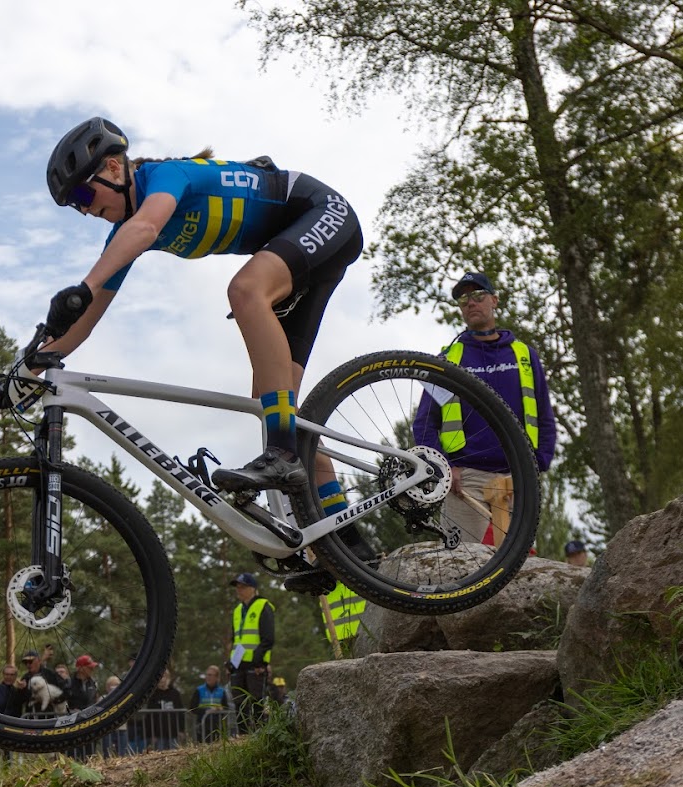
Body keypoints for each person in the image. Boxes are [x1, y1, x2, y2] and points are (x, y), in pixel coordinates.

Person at [33, 117, 363, 498]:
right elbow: (85, 323)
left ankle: (283, 456)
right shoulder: (124, 233)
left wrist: (84, 287)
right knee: (274, 407)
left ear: (113, 167)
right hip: (302, 255)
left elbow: (146, 228)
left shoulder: (166, 177)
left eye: (83, 195)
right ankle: (340, 528)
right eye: (75, 206)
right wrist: (29, 368)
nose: (85, 210)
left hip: (324, 212)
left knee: (245, 290)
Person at [413, 271, 556, 545]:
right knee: (459, 561)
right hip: (465, 480)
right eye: (463, 299)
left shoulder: (524, 356)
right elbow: (424, 423)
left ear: (494, 300)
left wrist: (537, 465)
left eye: (478, 295)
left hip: (518, 477)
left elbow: (544, 416)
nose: (471, 302)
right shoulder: (448, 360)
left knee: (520, 563)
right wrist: (444, 468)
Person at [226, 572, 274, 735]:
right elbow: (236, 640)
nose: (238, 590)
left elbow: (268, 638)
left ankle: (261, 737)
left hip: (256, 664)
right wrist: (230, 663)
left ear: (252, 588)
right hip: (238, 664)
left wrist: (259, 661)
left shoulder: (263, 606)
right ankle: (243, 737)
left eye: (242, 587)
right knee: (239, 703)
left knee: (257, 702)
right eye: (237, 587)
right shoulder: (237, 610)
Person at [189, 665, 234, 743]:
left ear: (216, 677)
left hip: (218, 726)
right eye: (207, 675)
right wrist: (206, 711)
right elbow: (192, 707)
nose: (208, 677)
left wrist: (220, 709)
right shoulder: (199, 690)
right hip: (203, 725)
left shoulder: (222, 691)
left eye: (210, 675)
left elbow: (226, 707)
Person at [144, 670, 185, 752]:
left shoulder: (175, 693)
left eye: (163, 677)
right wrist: (151, 734)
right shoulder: (152, 695)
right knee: (160, 755)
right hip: (158, 734)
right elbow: (149, 716)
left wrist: (181, 730)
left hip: (173, 733)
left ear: (168, 678)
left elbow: (181, 713)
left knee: (174, 754)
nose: (161, 680)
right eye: (159, 677)